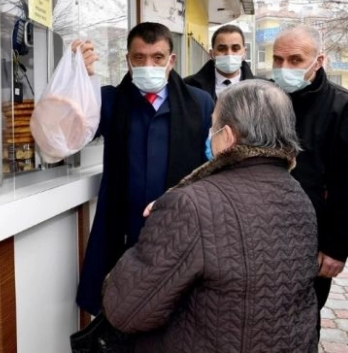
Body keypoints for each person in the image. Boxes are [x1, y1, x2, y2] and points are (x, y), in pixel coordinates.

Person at [101, 80, 319, 352]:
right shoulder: (298, 196)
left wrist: (162, 227)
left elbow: (126, 309)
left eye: (212, 125)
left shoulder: (192, 205)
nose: (208, 133)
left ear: (227, 137)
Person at [76, 22, 214, 315]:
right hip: (124, 227)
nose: (148, 65)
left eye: (157, 58)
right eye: (139, 58)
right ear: (128, 59)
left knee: (176, 312)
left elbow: (211, 165)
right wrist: (82, 78)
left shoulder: (199, 103)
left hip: (180, 229)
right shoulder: (110, 101)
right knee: (122, 308)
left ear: (171, 60)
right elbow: (76, 131)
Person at [271, 24, 348, 338]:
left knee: (302, 323)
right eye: (278, 60)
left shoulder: (347, 109)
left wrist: (335, 248)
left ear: (319, 61)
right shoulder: (264, 97)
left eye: (294, 59)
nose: (284, 68)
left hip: (313, 243)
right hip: (263, 234)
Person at [184, 24, 256, 101]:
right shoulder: (188, 86)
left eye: (235, 48)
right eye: (222, 49)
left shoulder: (261, 89)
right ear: (212, 54)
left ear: (244, 53)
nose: (229, 54)